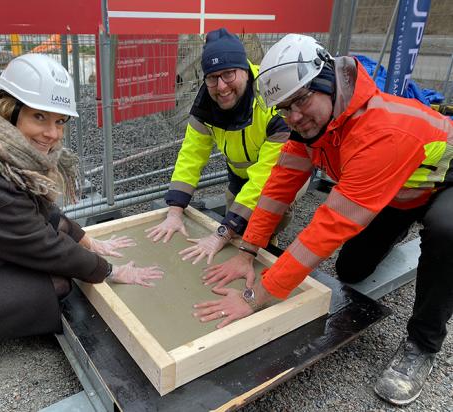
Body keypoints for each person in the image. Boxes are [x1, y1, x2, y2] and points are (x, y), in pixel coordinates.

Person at [192, 34, 453, 406]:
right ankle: (397, 226)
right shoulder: (309, 127)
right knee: (351, 271)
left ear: (328, 82)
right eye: (284, 108)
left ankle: (422, 345)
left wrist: (256, 296)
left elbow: (328, 227)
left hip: (443, 186)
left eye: (301, 99)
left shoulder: (381, 131)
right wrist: (248, 248)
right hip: (398, 193)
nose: (294, 116)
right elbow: (278, 188)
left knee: (445, 231)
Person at [0, 53, 163, 367]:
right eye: (39, 117)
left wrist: (87, 240)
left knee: (49, 264)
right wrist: (110, 270)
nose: (52, 133)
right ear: (10, 112)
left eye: (59, 121)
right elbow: (44, 246)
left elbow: (38, 212)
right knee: (57, 284)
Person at [146, 27, 295, 266]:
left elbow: (265, 178)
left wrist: (223, 233)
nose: (222, 86)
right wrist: (175, 211)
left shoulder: (273, 100)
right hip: (239, 173)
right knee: (235, 218)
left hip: (281, 172)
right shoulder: (206, 103)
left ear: (245, 71)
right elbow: (191, 156)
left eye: (228, 74)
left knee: (266, 221)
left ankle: (268, 242)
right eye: (213, 77)